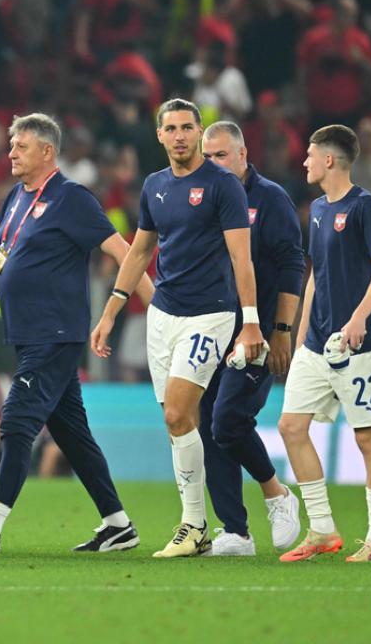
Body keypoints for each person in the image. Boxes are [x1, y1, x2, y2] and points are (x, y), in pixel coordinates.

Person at [0, 114, 150, 554]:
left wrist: (155, 308)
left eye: (21, 146)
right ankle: (118, 525)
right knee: (71, 433)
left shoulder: (72, 198)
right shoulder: (16, 197)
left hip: (55, 333)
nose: (10, 153)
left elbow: (123, 250)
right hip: (28, 334)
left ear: (47, 152)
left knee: (16, 421)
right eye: (12, 145)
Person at [90, 98, 264, 558]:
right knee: (178, 422)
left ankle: (193, 523)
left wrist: (250, 323)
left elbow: (241, 258)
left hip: (210, 314)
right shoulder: (155, 186)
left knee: (177, 414)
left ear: (199, 132)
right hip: (163, 314)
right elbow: (140, 250)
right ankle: (199, 528)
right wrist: (111, 310)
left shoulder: (223, 186)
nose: (180, 136)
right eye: (172, 128)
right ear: (160, 135)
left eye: (188, 127)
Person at [278, 125, 371, 564]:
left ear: (329, 160)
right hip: (316, 345)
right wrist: (300, 334)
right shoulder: (317, 209)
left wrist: (358, 317)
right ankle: (323, 530)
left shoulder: (366, 207)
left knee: (367, 437)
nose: (304, 161)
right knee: (291, 427)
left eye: (310, 154)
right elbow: (317, 274)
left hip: (362, 345)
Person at [199, 122, 304, 555]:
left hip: (257, 330)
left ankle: (276, 493)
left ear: (243, 155)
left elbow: (292, 264)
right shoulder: (201, 198)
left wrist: (282, 331)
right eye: (207, 157)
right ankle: (235, 532)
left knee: (228, 419)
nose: (212, 164)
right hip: (209, 328)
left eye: (221, 155)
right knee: (208, 426)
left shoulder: (270, 199)